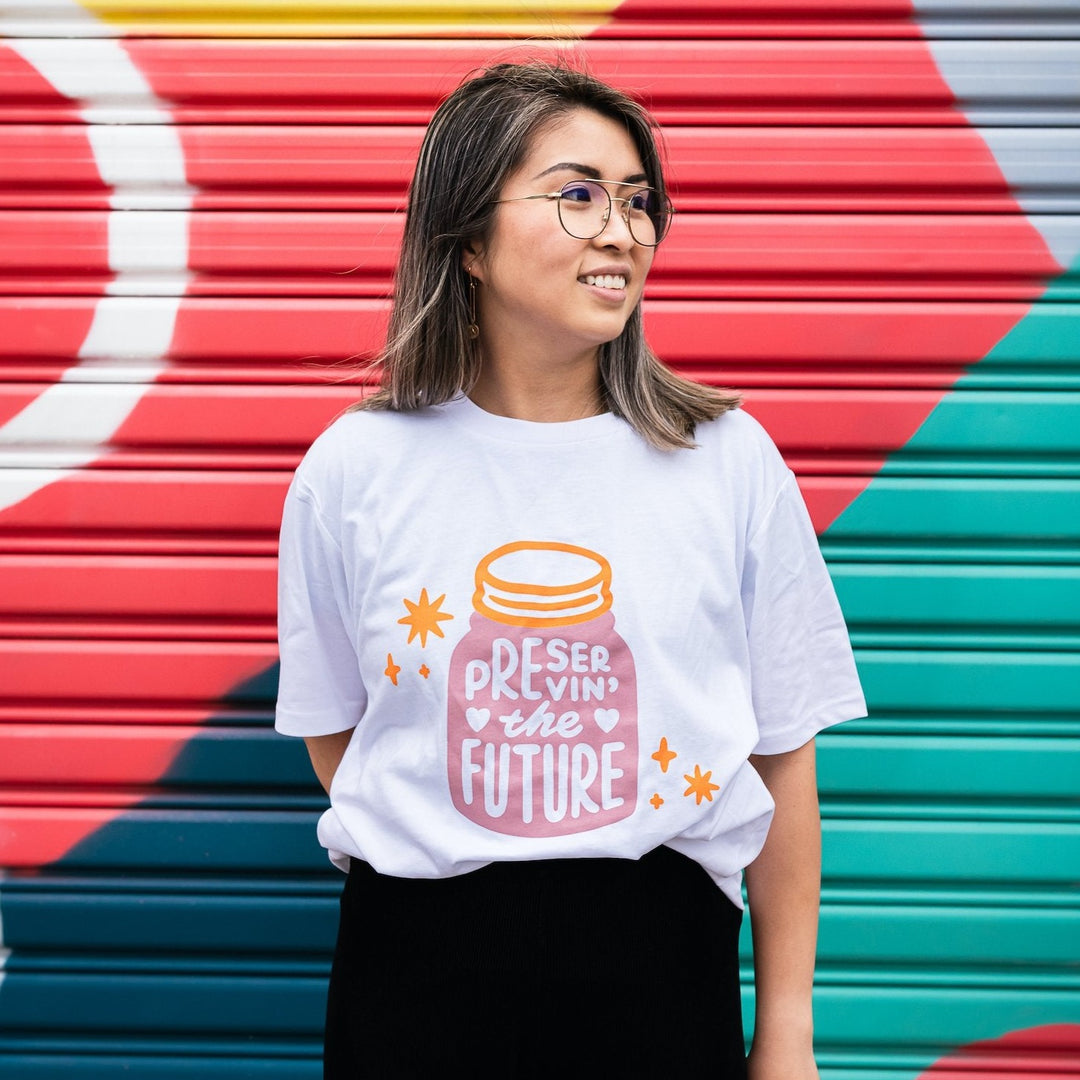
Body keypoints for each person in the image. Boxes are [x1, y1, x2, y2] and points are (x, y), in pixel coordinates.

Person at [275, 58, 866, 1079]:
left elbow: (781, 762)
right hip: (413, 987)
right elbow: (341, 733)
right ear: (465, 238)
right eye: (579, 194)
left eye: (640, 202)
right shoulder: (354, 470)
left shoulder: (724, 458)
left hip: (659, 982)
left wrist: (787, 1031)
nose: (622, 231)